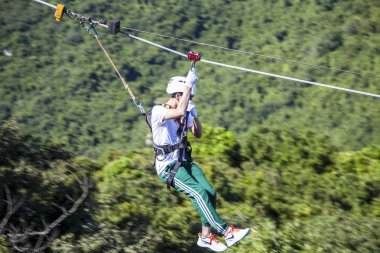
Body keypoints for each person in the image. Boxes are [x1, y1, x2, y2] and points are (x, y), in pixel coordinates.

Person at [149, 66, 250, 252]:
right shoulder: (158, 112)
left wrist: (194, 115)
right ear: (179, 95)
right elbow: (178, 112)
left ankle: (205, 236)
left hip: (184, 161)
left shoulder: (184, 113)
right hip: (168, 166)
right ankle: (226, 231)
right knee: (198, 193)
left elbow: (198, 133)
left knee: (210, 193)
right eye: (189, 97)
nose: (190, 100)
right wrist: (188, 85)